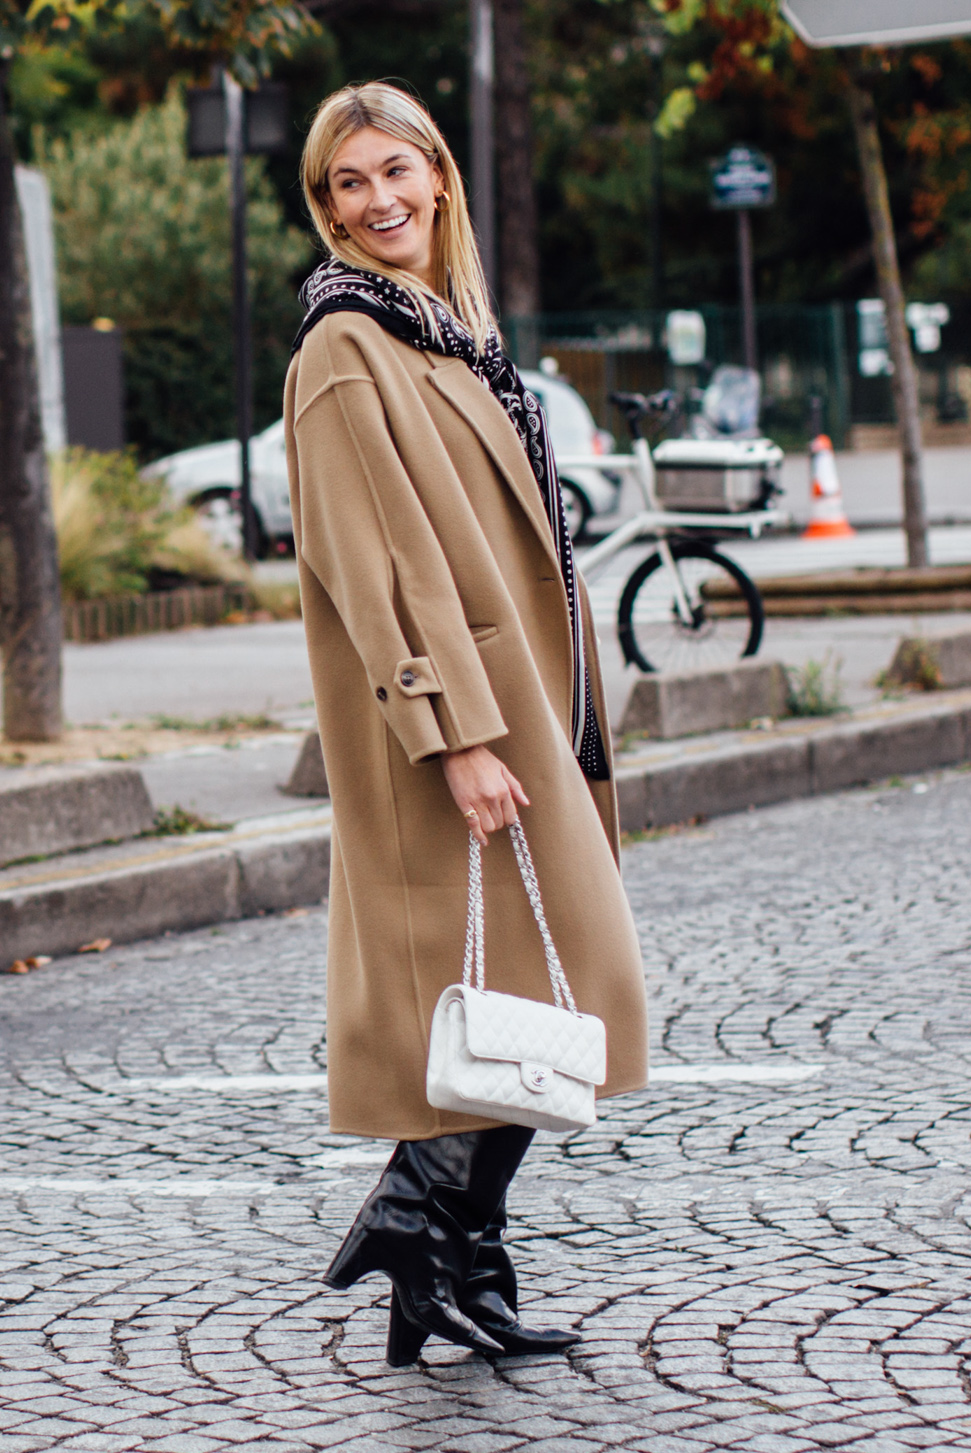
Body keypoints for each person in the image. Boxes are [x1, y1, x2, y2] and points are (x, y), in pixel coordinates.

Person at [284, 84, 651, 1365]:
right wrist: (460, 737)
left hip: (527, 710)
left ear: (439, 176)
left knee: (524, 992)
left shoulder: (447, 332)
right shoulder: (344, 347)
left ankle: (446, 1266)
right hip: (451, 730)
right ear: (326, 207)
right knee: (535, 987)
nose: (378, 201)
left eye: (396, 171)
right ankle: (418, 1219)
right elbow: (375, 565)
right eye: (348, 184)